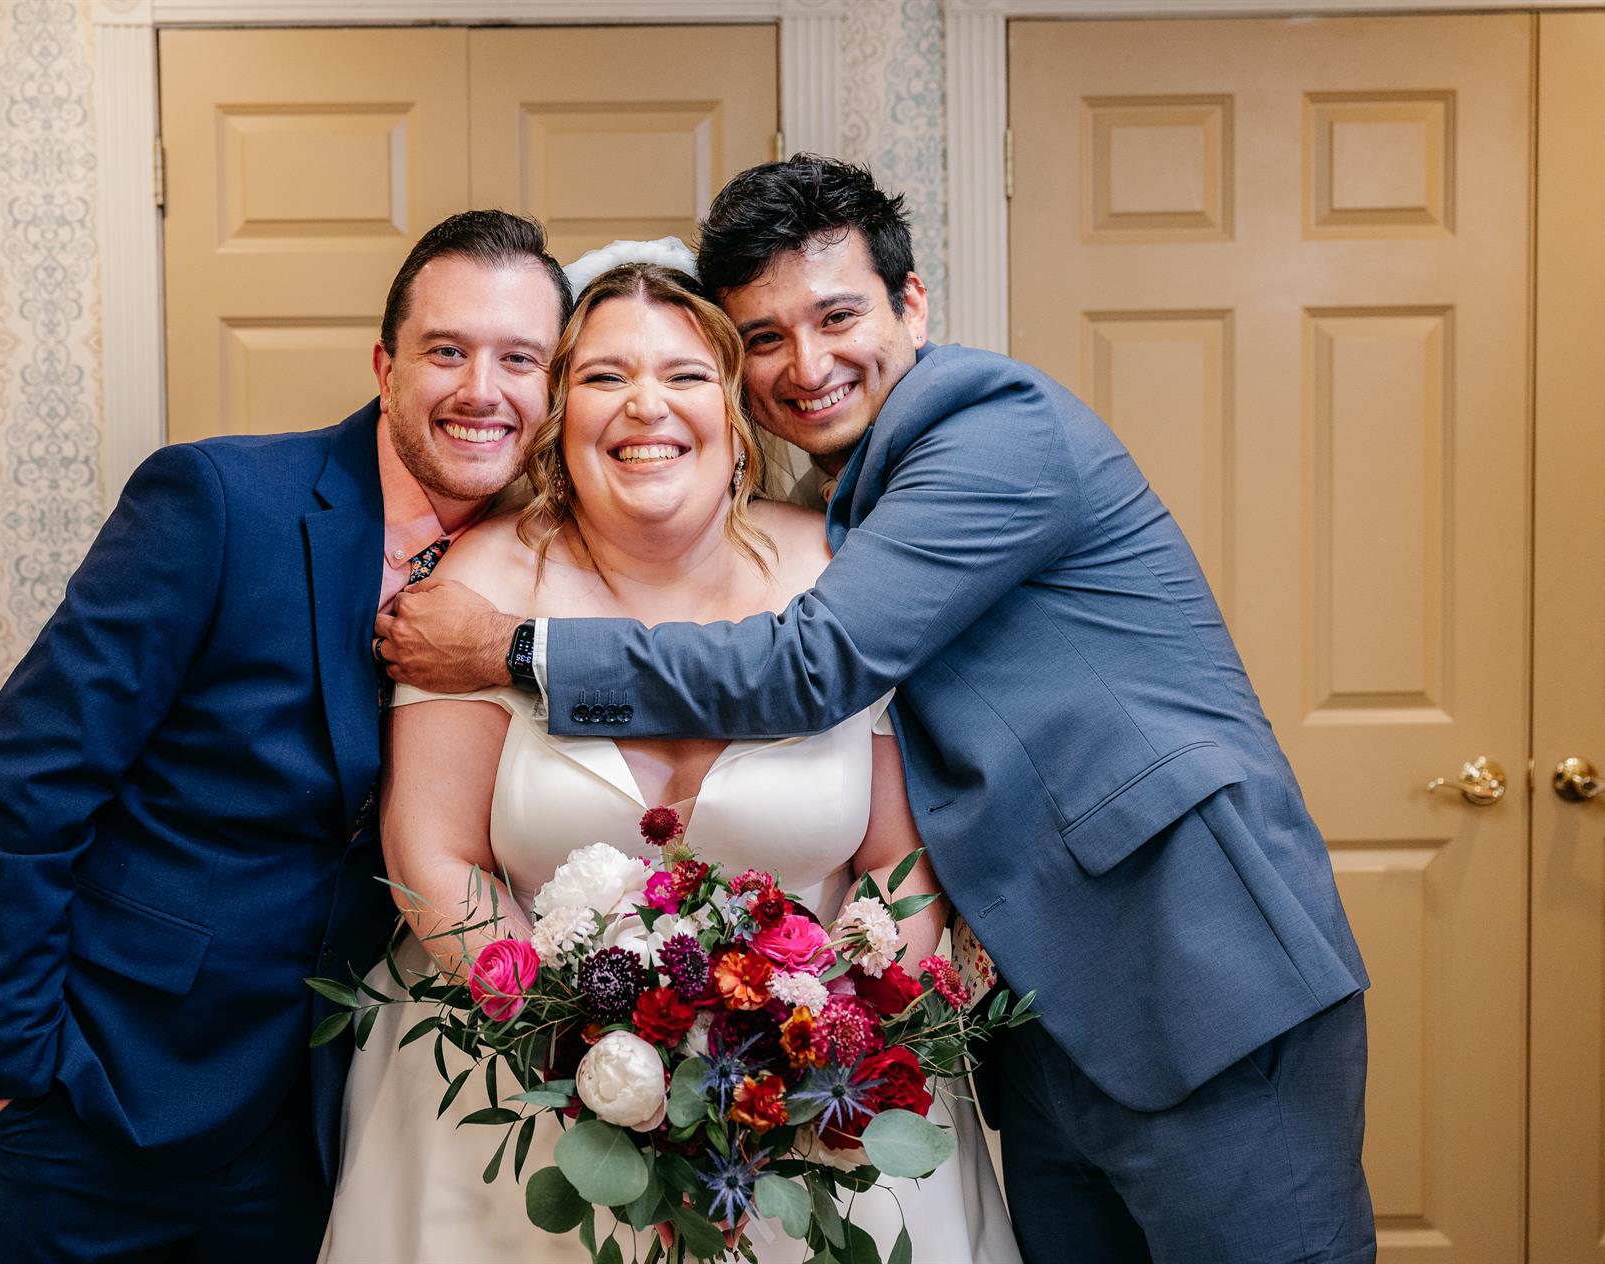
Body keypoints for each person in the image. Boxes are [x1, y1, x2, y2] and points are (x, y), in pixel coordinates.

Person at [379, 157, 1377, 1263]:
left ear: (912, 304)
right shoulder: (838, 500)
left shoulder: (994, 430)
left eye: (838, 315)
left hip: (1190, 968)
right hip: (1041, 1018)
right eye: (765, 336)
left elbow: (813, 664)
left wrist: (519, 649)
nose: (808, 365)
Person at [320, 259, 1022, 1264]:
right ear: (559, 415)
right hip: (520, 1105)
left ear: (737, 415)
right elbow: (431, 854)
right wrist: (583, 1065)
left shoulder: (837, 574)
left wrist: (831, 1061)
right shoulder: (482, 582)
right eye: (604, 377)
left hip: (812, 1111)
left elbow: (900, 873)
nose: (645, 405)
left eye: (687, 376)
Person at [0, 210, 570, 1261]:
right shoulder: (219, 499)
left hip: (321, 1122)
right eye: (446, 351)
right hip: (104, 1086)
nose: (481, 390)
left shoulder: (552, 569)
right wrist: (14, 1072)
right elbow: (26, 781)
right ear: (385, 367)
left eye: (519, 358)